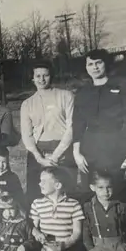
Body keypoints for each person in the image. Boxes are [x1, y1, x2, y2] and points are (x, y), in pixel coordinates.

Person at [72, 49, 126, 184]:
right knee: (94, 188)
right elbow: (78, 124)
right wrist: (76, 153)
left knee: (121, 187)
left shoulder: (123, 87)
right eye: (90, 64)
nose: (95, 67)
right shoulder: (82, 93)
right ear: (86, 67)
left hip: (118, 144)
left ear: (106, 64)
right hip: (91, 148)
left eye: (98, 63)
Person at [20, 62, 76, 204]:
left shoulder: (66, 96)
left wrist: (56, 155)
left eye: (46, 75)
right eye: (38, 76)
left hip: (63, 148)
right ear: (32, 78)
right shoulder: (27, 103)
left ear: (51, 76)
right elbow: (27, 135)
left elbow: (72, 127)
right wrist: (39, 158)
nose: (42, 79)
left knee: (64, 189)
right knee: (36, 192)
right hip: (38, 151)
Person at [29, 167, 86, 251]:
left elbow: (77, 232)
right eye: (40, 180)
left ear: (57, 185)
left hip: (68, 250)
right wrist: (37, 233)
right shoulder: (37, 203)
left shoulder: (73, 204)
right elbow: (32, 227)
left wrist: (65, 244)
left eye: (44, 181)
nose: (40, 183)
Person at [82, 170, 126, 251]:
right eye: (100, 187)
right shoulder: (88, 207)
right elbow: (85, 230)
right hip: (98, 249)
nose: (106, 191)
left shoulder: (122, 206)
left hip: (120, 247)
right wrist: (91, 249)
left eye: (109, 187)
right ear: (92, 187)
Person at [0, 144, 25, 211]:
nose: (0, 165)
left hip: (4, 209)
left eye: (4, 162)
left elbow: (19, 195)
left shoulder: (11, 176)